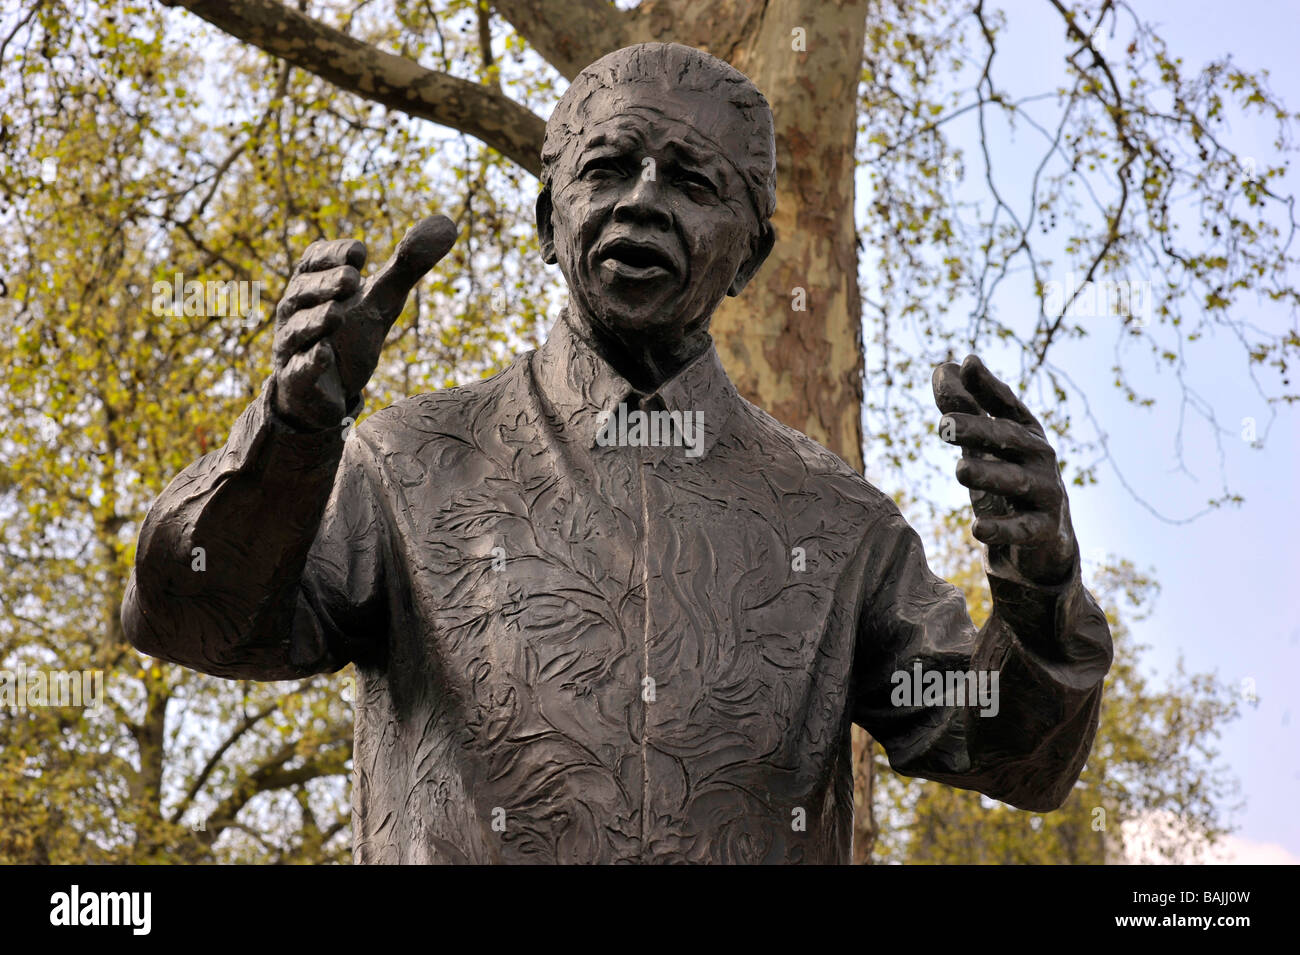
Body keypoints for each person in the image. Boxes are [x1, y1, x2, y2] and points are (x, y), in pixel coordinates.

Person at [124, 42, 1112, 864]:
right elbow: (192, 622)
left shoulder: (838, 525)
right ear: (548, 223)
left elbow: (1010, 750)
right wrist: (289, 435)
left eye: (690, 181)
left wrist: (1040, 601)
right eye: (606, 168)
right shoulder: (407, 465)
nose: (642, 201)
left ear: (751, 256)